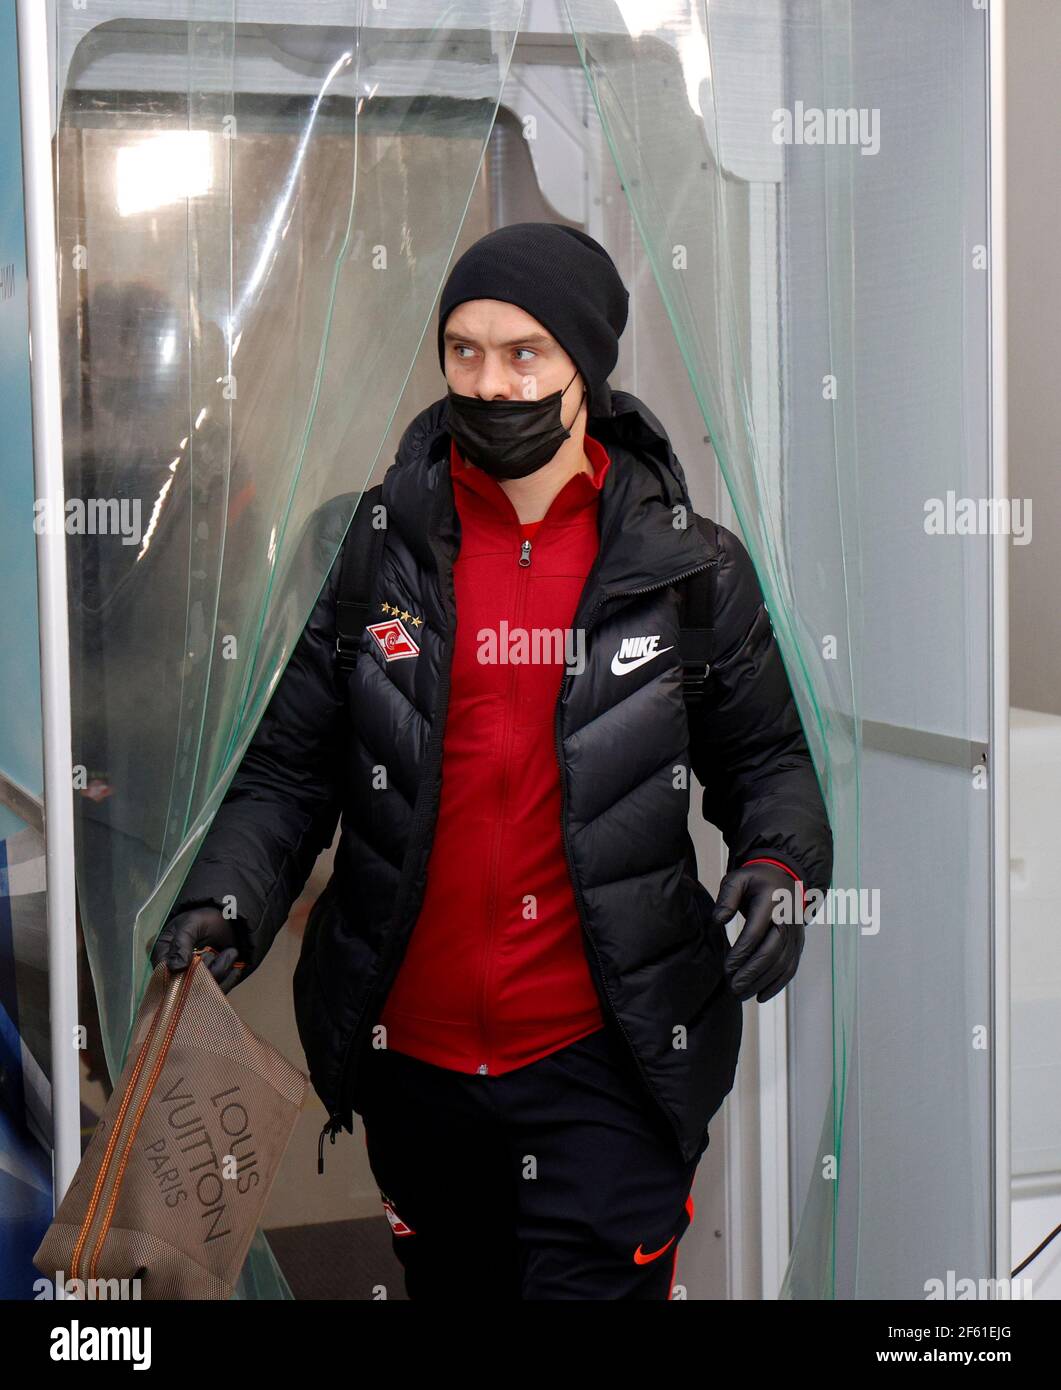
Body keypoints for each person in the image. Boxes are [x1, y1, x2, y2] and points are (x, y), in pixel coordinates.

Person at [152, 222, 833, 1300]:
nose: (488, 381)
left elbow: (768, 767)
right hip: (411, 1062)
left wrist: (781, 869)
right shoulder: (367, 549)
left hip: (606, 1060)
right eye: (463, 350)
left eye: (524, 353)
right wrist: (226, 898)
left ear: (586, 367)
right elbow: (288, 772)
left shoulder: (688, 570)